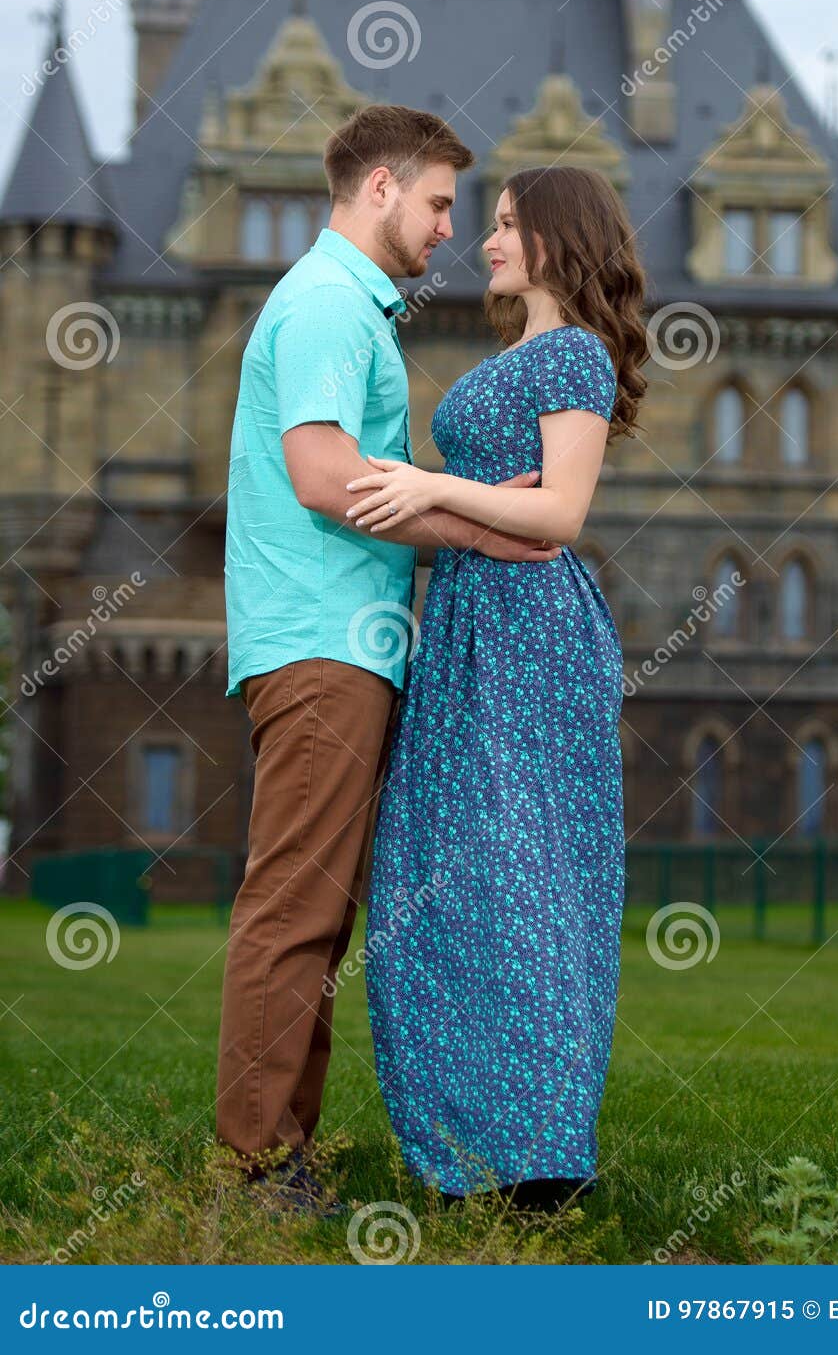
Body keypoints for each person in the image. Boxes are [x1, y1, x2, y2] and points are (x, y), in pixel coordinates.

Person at [216, 105, 561, 1208]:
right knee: (295, 904)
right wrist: (474, 525)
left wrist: (460, 511)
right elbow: (323, 477)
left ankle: (286, 1150)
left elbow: (360, 482)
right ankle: (261, 1165)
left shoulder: (350, 307)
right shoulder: (326, 305)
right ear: (378, 189)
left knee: (316, 903)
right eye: (437, 203)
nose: (449, 229)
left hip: (343, 642)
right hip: (320, 643)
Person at [347, 165, 648, 1211]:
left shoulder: (572, 354)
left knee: (519, 877)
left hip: (529, 636)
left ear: (559, 238)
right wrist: (462, 512)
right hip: (472, 621)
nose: (485, 239)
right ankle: (473, 1146)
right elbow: (504, 514)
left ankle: (538, 1158)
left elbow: (558, 513)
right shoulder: (524, 352)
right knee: (445, 878)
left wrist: (431, 486)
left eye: (511, 223)